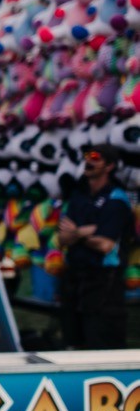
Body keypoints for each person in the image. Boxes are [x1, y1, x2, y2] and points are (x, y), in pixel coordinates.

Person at [56, 143, 134, 350]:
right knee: (71, 341)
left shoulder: (116, 198)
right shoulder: (78, 195)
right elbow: (62, 238)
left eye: (95, 158)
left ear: (109, 166)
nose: (88, 161)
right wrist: (87, 231)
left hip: (104, 279)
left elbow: (105, 245)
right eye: (86, 157)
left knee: (101, 340)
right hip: (74, 275)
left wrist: (76, 233)